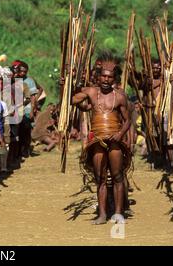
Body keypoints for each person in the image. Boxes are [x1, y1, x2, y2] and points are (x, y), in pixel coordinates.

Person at [72, 59, 131, 224]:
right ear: (98, 77)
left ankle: (119, 213)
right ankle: (102, 214)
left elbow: (127, 121)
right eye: (103, 77)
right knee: (100, 178)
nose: (106, 80)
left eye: (110, 77)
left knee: (118, 176)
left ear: (114, 79)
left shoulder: (119, 96)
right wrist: (67, 84)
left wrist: (120, 134)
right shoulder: (91, 92)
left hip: (114, 141)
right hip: (97, 140)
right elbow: (73, 100)